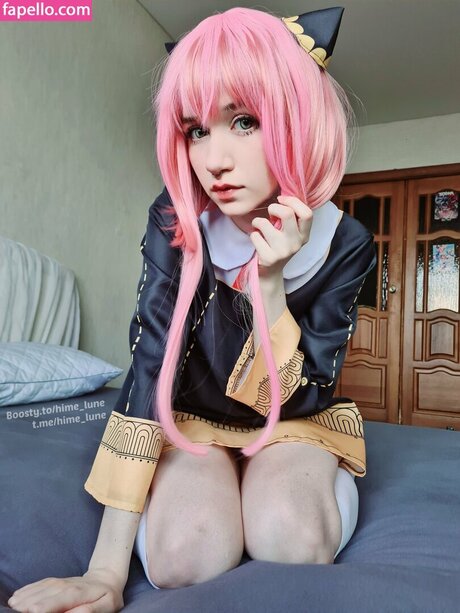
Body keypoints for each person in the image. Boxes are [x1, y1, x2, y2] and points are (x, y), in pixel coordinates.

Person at [8, 5, 377, 611]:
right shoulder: (174, 220)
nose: (214, 159)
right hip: (194, 421)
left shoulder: (347, 242)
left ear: (299, 117)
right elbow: (150, 364)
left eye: (244, 121)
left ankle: (300, 483)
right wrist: (105, 573)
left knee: (291, 538)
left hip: (293, 418)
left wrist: (269, 282)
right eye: (196, 130)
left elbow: (309, 389)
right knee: (183, 558)